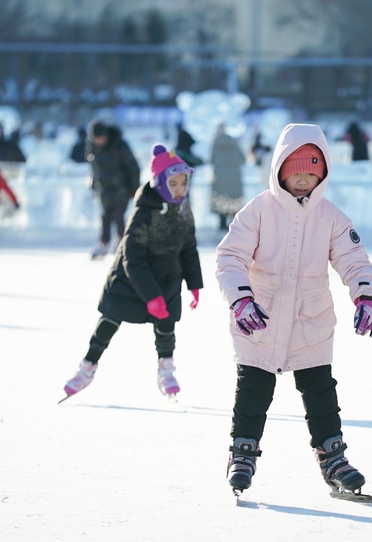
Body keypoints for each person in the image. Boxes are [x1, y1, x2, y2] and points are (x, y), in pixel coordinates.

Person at [216, 123, 372, 498]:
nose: (304, 180)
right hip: (260, 319)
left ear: (322, 173)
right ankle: (242, 453)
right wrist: (241, 299)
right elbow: (230, 257)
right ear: (280, 171)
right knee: (254, 391)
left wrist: (365, 296)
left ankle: (334, 458)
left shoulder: (331, 217)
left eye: (312, 172)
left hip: (311, 321)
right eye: (296, 172)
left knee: (321, 393)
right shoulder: (258, 210)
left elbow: (354, 259)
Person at [61, 144, 203, 402]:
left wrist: (194, 284)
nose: (180, 189)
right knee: (108, 323)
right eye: (174, 184)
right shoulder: (143, 214)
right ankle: (87, 368)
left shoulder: (183, 211)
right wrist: (150, 296)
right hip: (129, 281)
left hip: (166, 279)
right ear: (160, 183)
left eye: (184, 183)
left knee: (166, 326)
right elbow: (133, 260)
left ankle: (166, 370)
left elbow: (189, 248)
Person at [87, 120, 141, 259]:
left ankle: (121, 241)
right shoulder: (93, 147)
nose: (98, 141)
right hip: (104, 190)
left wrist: (134, 188)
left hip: (121, 189)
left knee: (118, 216)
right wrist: (94, 186)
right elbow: (95, 169)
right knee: (105, 217)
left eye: (100, 137)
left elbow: (133, 167)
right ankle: (104, 242)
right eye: (95, 138)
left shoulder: (119, 146)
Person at [210, 124, 246, 231]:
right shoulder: (235, 144)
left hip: (220, 178)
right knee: (234, 200)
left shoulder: (216, 144)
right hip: (234, 178)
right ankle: (234, 223)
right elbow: (243, 159)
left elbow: (211, 160)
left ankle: (222, 223)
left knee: (221, 199)